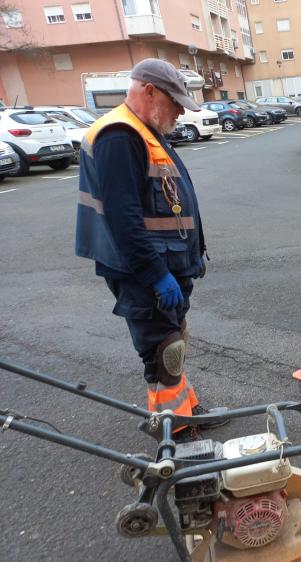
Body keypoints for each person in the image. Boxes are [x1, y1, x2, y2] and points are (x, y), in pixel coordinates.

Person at [75, 58, 227, 439]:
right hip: (145, 270)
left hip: (166, 265)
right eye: (175, 102)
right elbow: (123, 218)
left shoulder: (145, 131)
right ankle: (172, 432)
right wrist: (156, 274)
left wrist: (192, 256)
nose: (179, 110)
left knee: (172, 340)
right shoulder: (119, 136)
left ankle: (184, 412)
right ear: (149, 92)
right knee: (163, 351)